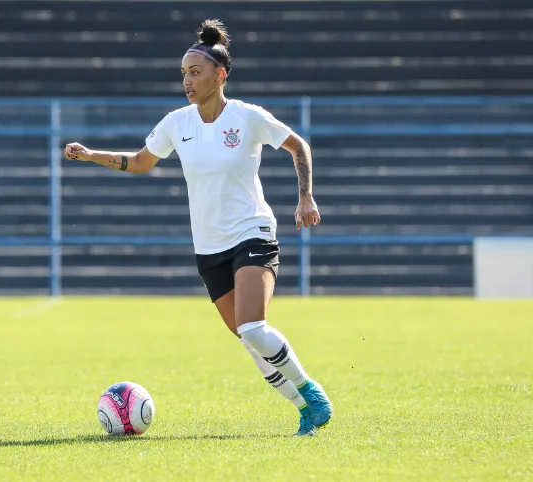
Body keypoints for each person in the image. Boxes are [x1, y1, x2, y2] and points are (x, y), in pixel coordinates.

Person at [65, 19, 332, 436]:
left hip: (253, 232)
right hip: (209, 247)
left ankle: (310, 391)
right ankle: (303, 409)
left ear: (220, 75)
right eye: (184, 74)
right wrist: (89, 154)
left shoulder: (248, 117)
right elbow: (140, 161)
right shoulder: (177, 122)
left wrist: (305, 197)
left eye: (196, 72)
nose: (187, 81)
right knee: (247, 338)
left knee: (252, 327)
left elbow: (299, 145)